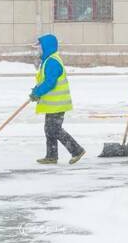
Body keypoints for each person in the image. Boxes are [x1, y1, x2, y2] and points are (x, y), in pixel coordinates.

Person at [30, 34, 85, 165]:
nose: (39, 50)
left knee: (54, 129)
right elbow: (44, 81)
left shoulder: (52, 61)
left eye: (40, 47)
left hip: (58, 103)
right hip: (53, 104)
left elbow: (50, 82)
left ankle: (76, 150)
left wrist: (37, 92)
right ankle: (51, 156)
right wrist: (35, 91)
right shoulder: (48, 60)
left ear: (46, 47)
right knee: (49, 129)